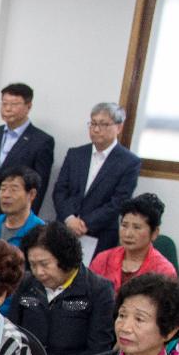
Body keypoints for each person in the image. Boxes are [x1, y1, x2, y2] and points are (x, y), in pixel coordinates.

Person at [8, 221, 116, 355]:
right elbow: (12, 330)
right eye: (33, 265)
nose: (38, 272)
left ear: (64, 258)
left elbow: (97, 350)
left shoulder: (98, 290)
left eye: (44, 264)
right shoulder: (27, 284)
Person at [51, 102, 141, 253]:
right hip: (65, 228)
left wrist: (85, 224)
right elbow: (60, 190)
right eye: (93, 124)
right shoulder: (75, 154)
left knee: (91, 276)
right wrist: (69, 219)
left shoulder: (129, 162)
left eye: (103, 124)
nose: (96, 129)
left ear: (119, 127)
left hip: (100, 234)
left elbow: (119, 201)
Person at [0, 83, 55, 225]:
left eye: (14, 104)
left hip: (15, 217)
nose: (7, 108)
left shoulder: (41, 141)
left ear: (28, 106)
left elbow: (38, 188)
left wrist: (27, 221)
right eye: (4, 103)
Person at [90, 193, 177, 291]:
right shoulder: (103, 259)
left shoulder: (164, 272)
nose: (127, 234)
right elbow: (83, 301)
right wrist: (71, 306)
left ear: (154, 233)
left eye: (137, 227)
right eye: (124, 225)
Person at [0, 164, 46, 248]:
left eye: (14, 189)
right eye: (3, 189)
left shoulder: (40, 232)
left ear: (31, 194)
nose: (6, 195)